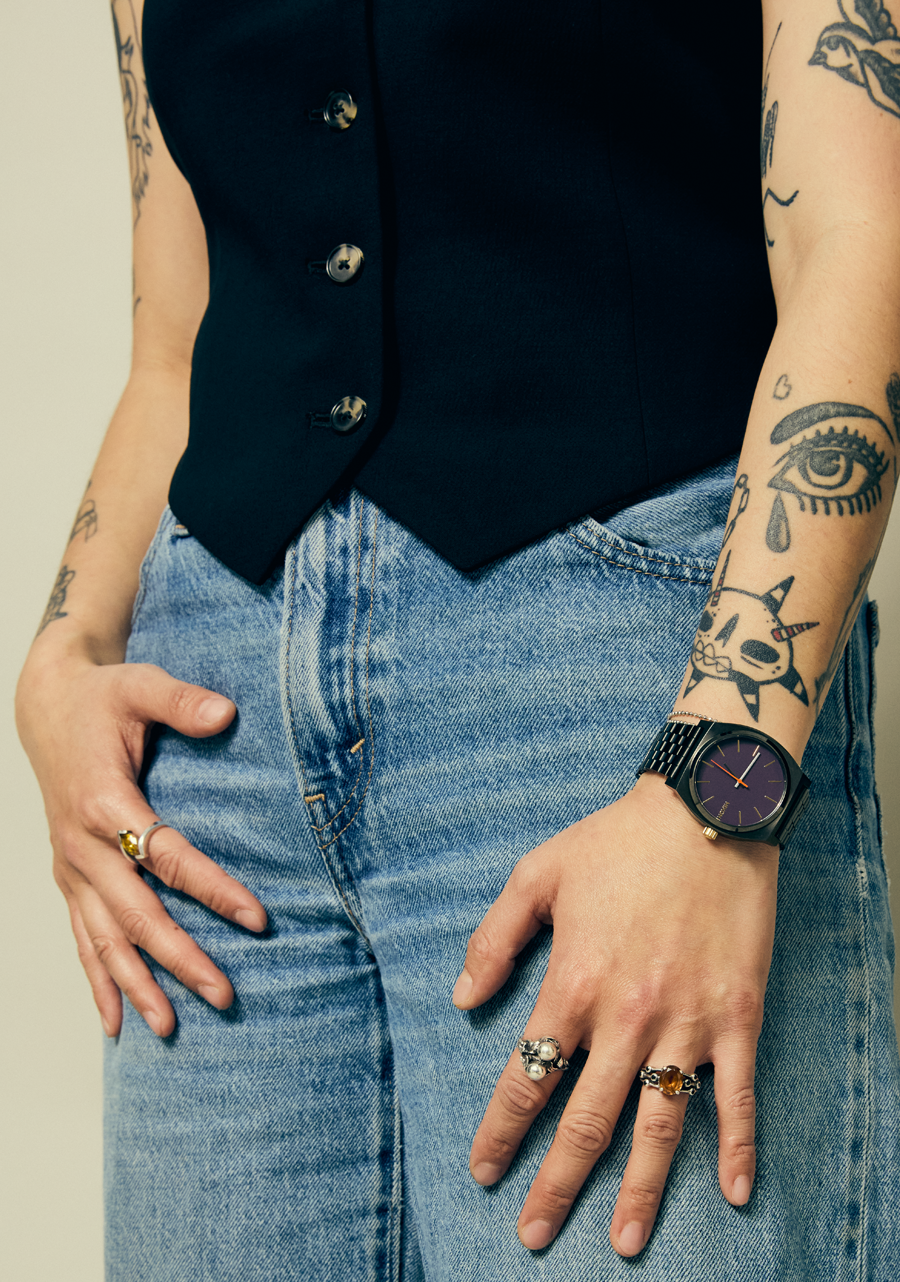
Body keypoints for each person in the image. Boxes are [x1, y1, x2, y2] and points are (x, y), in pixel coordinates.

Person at [15, 1, 900, 1277]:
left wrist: (717, 783)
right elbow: (175, 338)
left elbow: (860, 237)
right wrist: (64, 649)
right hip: (217, 768)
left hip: (618, 721)